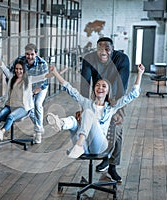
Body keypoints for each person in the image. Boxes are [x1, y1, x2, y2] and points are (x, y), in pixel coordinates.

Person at [47, 37, 130, 183]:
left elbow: (122, 84)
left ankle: (112, 165)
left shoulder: (122, 59)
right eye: (100, 49)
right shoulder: (89, 58)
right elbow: (85, 84)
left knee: (116, 130)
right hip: (95, 97)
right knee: (85, 120)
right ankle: (72, 134)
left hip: (115, 97)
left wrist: (115, 109)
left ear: (112, 49)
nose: (103, 52)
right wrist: (83, 107)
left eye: (107, 49)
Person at [47, 64, 144, 160]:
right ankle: (60, 123)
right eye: (97, 85)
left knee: (88, 113)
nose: (100, 87)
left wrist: (139, 74)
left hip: (99, 146)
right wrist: (55, 73)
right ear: (94, 89)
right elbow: (70, 90)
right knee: (73, 120)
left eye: (103, 86)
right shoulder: (87, 103)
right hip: (85, 146)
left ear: (107, 91)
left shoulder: (111, 107)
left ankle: (79, 144)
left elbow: (133, 94)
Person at [0, 43, 49, 142]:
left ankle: (37, 131)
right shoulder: (12, 76)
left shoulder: (31, 77)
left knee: (36, 105)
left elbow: (44, 79)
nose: (18, 71)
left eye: (20, 69)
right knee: (1, 113)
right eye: (17, 69)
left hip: (33, 94)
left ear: (36, 54)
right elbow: (2, 65)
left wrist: (55, 74)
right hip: (12, 103)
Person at [10, 43, 49, 144]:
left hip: (41, 86)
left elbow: (45, 81)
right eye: (27, 54)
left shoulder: (42, 64)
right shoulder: (20, 60)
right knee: (30, 108)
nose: (29, 57)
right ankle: (38, 128)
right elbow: (11, 73)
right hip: (27, 87)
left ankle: (38, 133)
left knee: (37, 105)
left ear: (36, 54)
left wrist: (38, 89)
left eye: (32, 54)